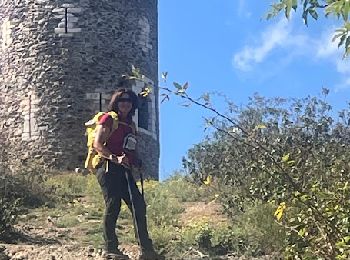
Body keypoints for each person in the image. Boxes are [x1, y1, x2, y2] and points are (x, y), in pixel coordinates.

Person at [93, 84, 161, 260]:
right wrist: (115, 159)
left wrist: (136, 161)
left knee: (138, 204)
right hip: (107, 167)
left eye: (130, 101)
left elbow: (130, 148)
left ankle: (146, 249)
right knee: (113, 204)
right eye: (122, 100)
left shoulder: (130, 125)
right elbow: (98, 144)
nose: (126, 103)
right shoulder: (108, 119)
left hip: (124, 169)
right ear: (116, 102)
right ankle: (110, 249)